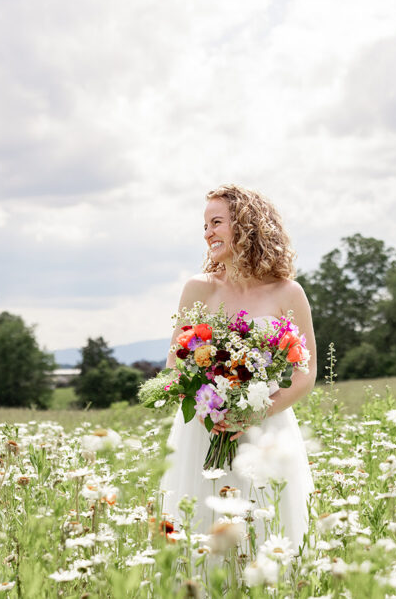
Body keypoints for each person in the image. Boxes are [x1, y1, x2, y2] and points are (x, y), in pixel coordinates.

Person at [159, 183, 317, 550]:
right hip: (203, 432)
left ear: (247, 225)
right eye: (204, 226)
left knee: (269, 534)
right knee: (201, 533)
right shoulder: (199, 289)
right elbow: (174, 364)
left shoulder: (288, 293)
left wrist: (256, 411)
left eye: (216, 222)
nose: (207, 233)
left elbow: (305, 373)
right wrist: (206, 411)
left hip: (266, 431)